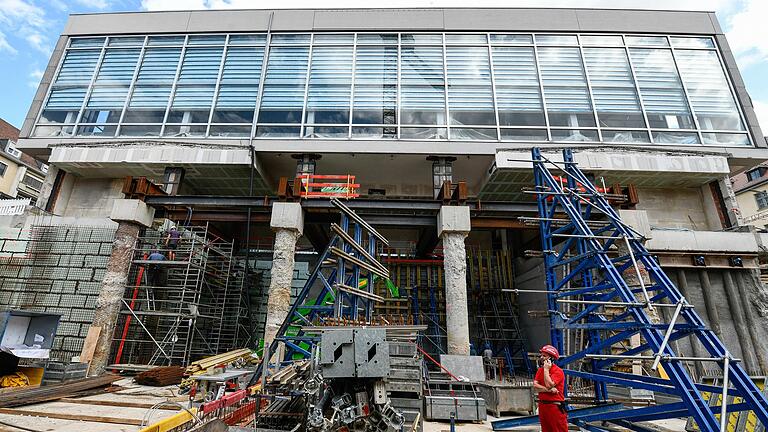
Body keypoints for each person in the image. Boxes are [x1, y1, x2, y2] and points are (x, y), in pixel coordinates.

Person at [532, 344, 567, 432]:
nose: (541, 358)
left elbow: (549, 384)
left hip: (554, 406)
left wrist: (546, 370)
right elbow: (535, 386)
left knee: (558, 429)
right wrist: (550, 390)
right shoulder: (540, 370)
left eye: (544, 356)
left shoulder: (558, 371)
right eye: (541, 355)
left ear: (551, 358)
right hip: (543, 406)